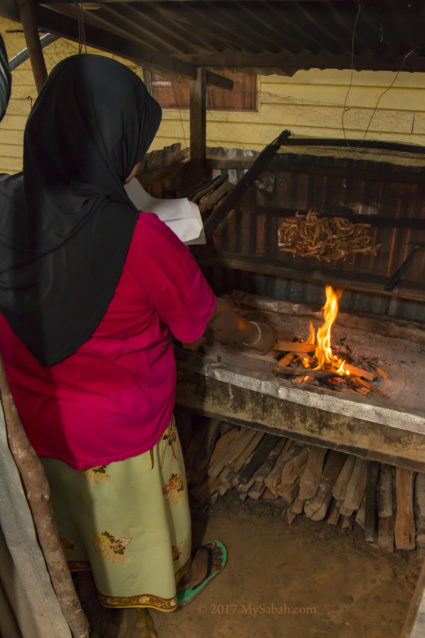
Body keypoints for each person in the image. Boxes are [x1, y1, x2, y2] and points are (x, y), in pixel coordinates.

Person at [0, 54, 274, 631]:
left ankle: (76, 579)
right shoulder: (140, 238)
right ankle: (169, 580)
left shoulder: (1, 204)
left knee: (62, 526)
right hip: (121, 435)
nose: (140, 158)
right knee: (136, 529)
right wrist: (253, 332)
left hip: (28, 425)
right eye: (134, 143)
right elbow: (202, 325)